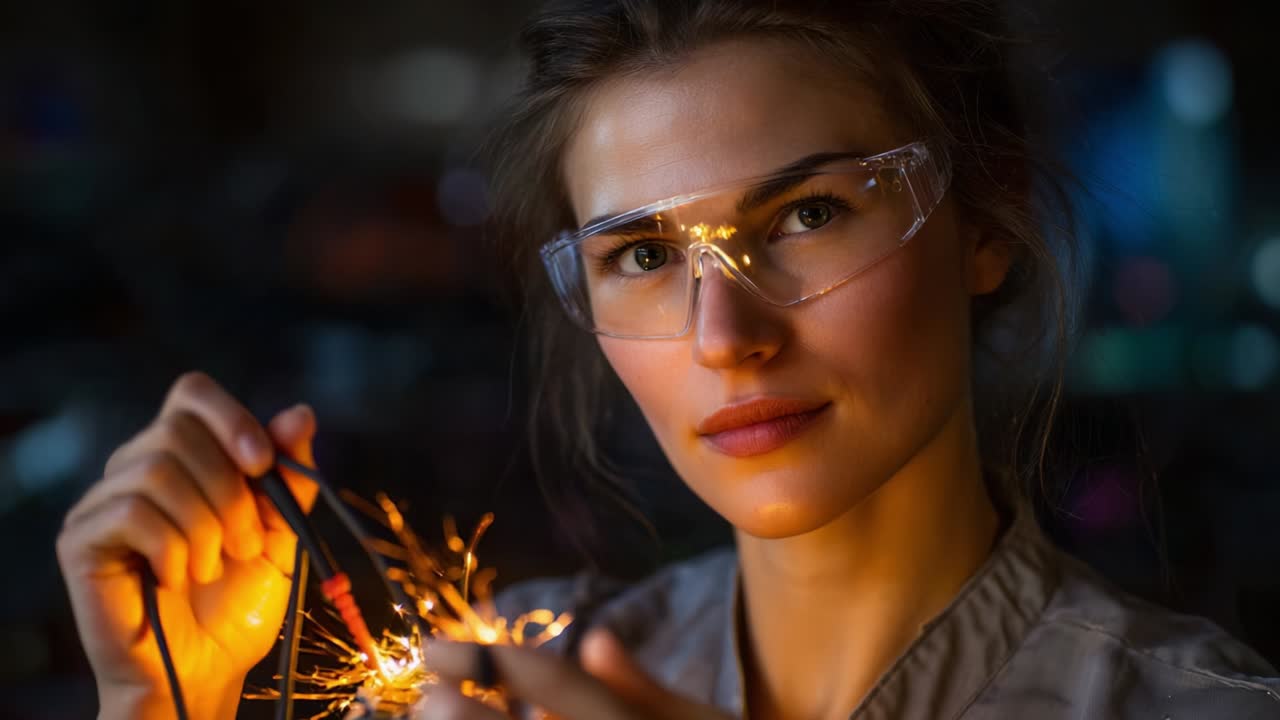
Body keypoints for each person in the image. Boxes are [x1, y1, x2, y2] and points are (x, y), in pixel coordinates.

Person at [57, 1, 1280, 719]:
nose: (724, 336)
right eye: (641, 255)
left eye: (806, 215)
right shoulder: (503, 676)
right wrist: (162, 709)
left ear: (984, 222)